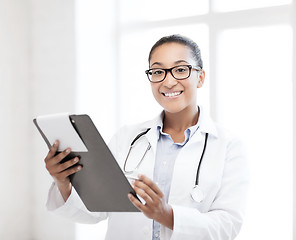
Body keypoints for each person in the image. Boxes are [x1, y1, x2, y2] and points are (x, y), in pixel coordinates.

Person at [44, 34, 249, 240]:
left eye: (180, 69)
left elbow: (227, 226)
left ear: (200, 77)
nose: (168, 82)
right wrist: (63, 182)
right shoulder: (126, 138)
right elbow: (97, 210)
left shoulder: (228, 146)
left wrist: (167, 215)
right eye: (158, 71)